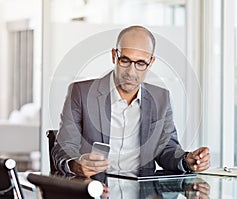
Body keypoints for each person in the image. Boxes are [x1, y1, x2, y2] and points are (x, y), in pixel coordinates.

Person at [52, 25, 210, 177]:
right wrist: (76, 165)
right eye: (125, 61)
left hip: (141, 191)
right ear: (114, 56)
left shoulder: (161, 98)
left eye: (141, 63)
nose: (131, 72)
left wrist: (187, 160)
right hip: (95, 189)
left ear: (151, 63)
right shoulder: (81, 93)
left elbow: (167, 149)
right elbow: (64, 147)